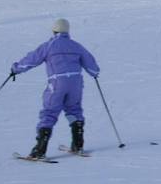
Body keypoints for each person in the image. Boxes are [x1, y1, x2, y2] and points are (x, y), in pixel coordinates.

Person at [11, 18, 100, 159]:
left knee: (49, 112)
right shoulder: (76, 46)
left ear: (54, 30)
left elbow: (32, 59)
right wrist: (94, 73)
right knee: (74, 109)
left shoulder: (49, 46)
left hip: (57, 82)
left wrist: (16, 69)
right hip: (76, 83)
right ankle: (78, 144)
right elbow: (91, 65)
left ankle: (39, 150)